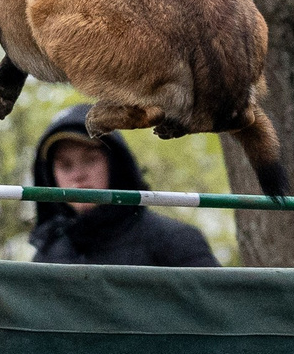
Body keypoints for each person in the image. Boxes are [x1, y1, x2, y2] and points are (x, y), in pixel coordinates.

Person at [27, 105, 220, 266]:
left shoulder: (175, 240)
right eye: (65, 165)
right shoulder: (48, 255)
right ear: (49, 176)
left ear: (116, 164)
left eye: (90, 159)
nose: (78, 175)